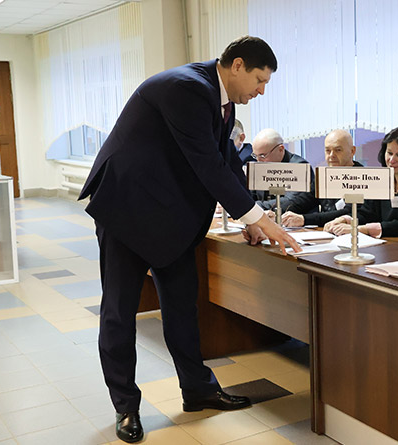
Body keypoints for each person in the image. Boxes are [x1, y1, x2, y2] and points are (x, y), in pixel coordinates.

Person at [78, 36, 299, 444]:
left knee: (182, 306)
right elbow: (207, 164)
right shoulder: (188, 88)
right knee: (119, 312)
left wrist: (252, 219)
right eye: (259, 80)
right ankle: (126, 406)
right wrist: (259, 219)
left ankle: (198, 389)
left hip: (170, 215)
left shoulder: (222, 100)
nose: (261, 90)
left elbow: (227, 160)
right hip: (127, 209)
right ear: (237, 65)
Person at [324, 126, 398, 239]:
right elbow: (367, 213)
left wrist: (361, 229)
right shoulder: (384, 176)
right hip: (388, 244)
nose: (392, 160)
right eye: (389, 153)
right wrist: (344, 220)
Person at [281, 129, 363, 227]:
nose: (331, 155)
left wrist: (305, 219)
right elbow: (303, 201)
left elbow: (349, 213)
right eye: (328, 150)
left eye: (338, 150)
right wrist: (277, 212)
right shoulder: (324, 176)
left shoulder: (362, 178)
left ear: (352, 151)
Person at [248, 128, 319, 215]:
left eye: (263, 156)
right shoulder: (260, 166)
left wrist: (256, 206)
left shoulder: (299, 166)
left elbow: (290, 202)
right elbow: (250, 197)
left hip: (294, 220)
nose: (258, 161)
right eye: (255, 156)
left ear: (281, 149)